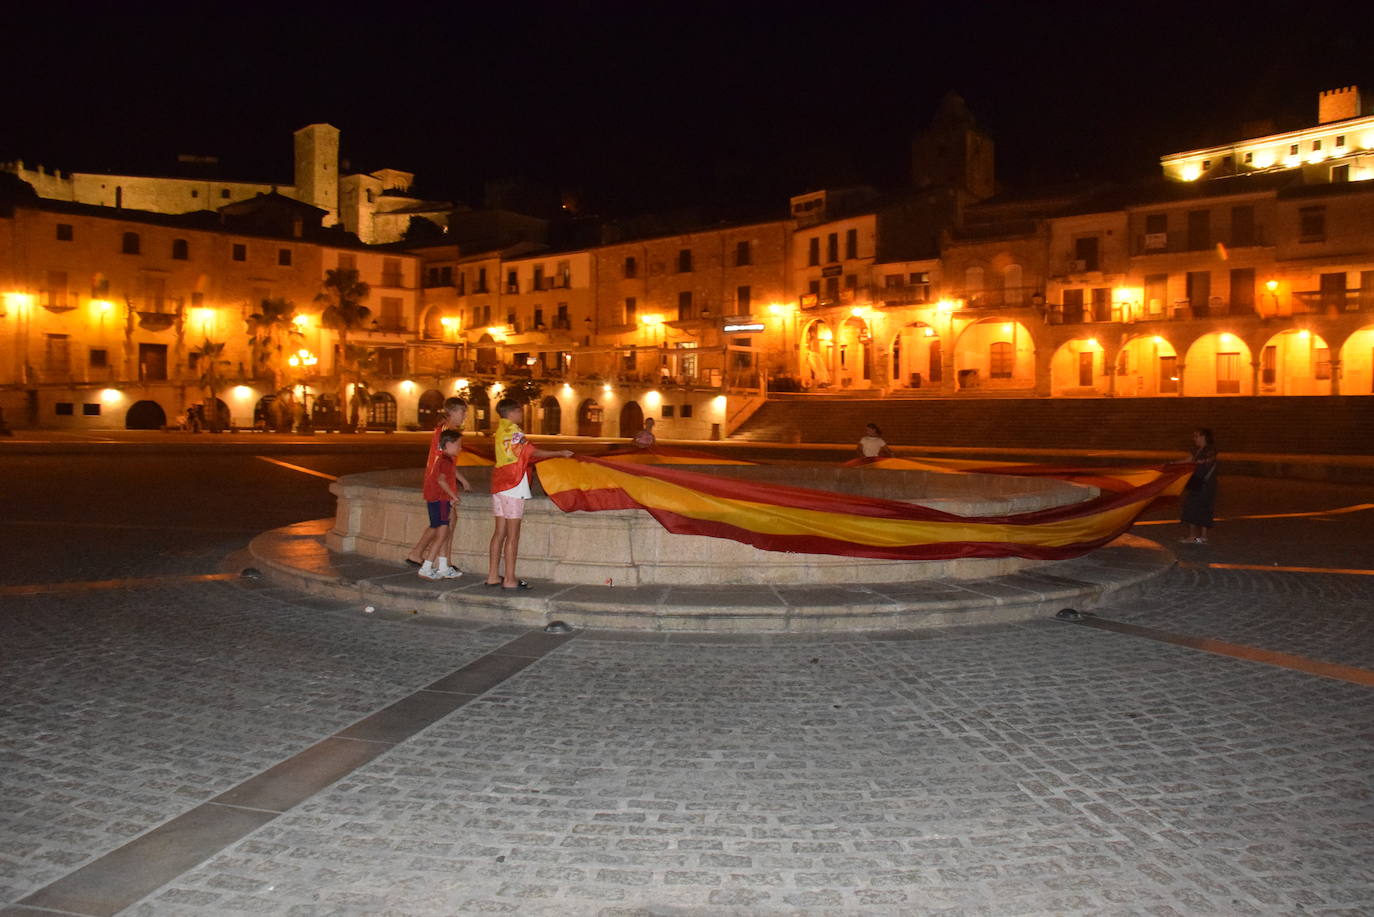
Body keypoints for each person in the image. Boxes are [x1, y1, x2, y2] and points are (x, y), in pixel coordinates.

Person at [485, 398, 573, 590]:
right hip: (513, 484)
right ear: (513, 412)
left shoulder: (500, 429)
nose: (521, 414)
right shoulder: (515, 432)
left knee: (499, 532)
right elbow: (533, 452)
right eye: (520, 411)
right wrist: (560, 453)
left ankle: (493, 575)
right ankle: (509, 579)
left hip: (499, 484)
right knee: (513, 534)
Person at [406, 397, 472, 569]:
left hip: (440, 483)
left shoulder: (446, 429)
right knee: (444, 523)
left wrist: (461, 480)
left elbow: (447, 463)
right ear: (452, 412)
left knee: (443, 522)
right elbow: (441, 462)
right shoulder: (445, 432)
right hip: (439, 485)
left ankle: (420, 555)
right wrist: (450, 486)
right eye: (462, 411)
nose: (465, 415)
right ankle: (440, 561)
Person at [418, 430, 465, 580]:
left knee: (443, 532)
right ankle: (427, 566)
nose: (460, 448)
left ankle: (443, 567)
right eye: (458, 445)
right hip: (441, 500)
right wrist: (453, 496)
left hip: (438, 500)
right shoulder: (446, 460)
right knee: (442, 533)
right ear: (449, 444)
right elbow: (441, 480)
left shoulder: (442, 459)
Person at [1180, 427, 1219, 544]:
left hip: (1205, 483)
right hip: (1196, 481)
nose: (1194, 439)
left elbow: (1208, 461)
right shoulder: (1197, 451)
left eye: (1196, 436)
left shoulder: (1210, 450)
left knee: (1197, 507)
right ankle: (1199, 537)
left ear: (1203, 437)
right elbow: (1187, 460)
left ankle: (1196, 537)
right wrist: (1171, 464)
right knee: (1193, 507)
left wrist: (1197, 463)